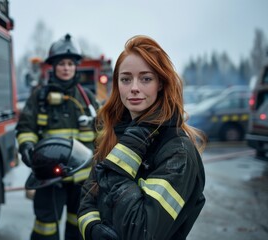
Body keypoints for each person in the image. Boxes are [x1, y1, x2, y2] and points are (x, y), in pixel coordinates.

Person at [77, 35, 207, 240]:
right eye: (126, 79)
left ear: (161, 84)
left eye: (146, 78)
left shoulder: (177, 150)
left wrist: (125, 157)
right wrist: (93, 228)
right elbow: (87, 200)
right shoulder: (114, 134)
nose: (134, 87)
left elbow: (142, 232)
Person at [15, 33, 100, 240]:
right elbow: (26, 128)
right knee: (46, 227)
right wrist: (27, 147)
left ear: (76, 66)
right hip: (50, 179)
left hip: (82, 180)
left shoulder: (87, 98)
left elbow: (103, 132)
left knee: (78, 225)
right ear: (53, 66)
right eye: (61, 63)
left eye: (70, 64)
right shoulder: (39, 97)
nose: (66, 68)